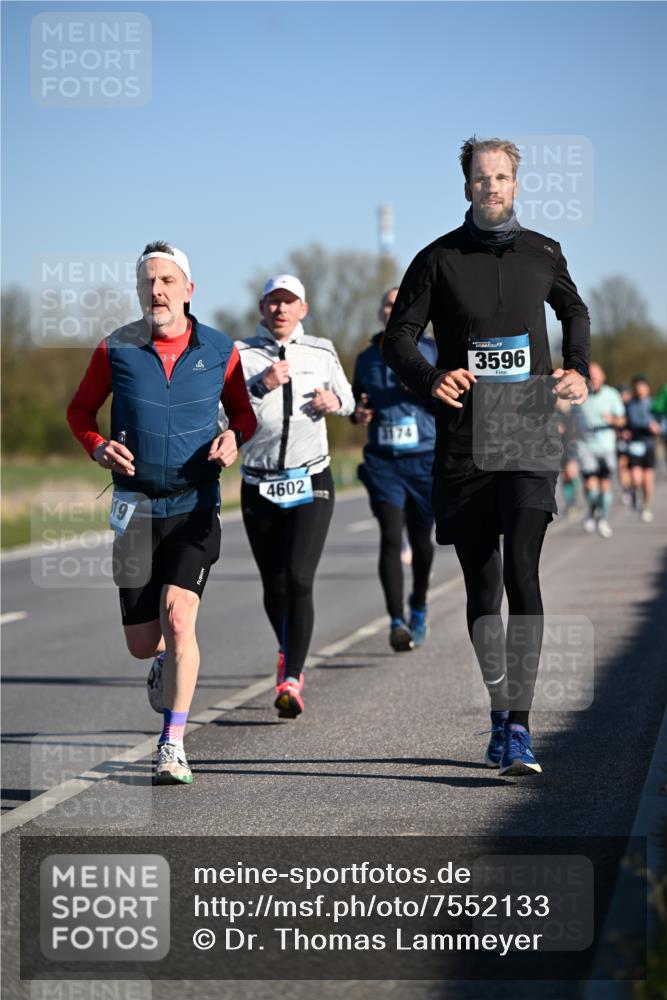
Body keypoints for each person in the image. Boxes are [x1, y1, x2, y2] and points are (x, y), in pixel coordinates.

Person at [383, 137, 590, 777]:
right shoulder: (437, 258)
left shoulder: (544, 252)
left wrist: (578, 367)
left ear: (516, 184)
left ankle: (521, 728)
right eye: (481, 177)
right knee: (483, 585)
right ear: (466, 185)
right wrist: (430, 378)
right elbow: (399, 337)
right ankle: (499, 710)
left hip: (526, 426)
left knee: (524, 571)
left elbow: (574, 309)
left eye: (502, 177)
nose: (491, 187)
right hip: (466, 438)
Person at [67, 241, 256, 785]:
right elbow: (79, 409)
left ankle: (171, 743)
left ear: (189, 290)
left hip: (195, 505)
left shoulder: (222, 350)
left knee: (180, 618)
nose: (157, 290)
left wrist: (234, 438)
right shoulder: (116, 348)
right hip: (135, 507)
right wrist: (96, 445)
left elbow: (243, 414)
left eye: (168, 280)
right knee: (141, 643)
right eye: (148, 281)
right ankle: (160, 665)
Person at [236, 274, 354, 718]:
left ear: (303, 309)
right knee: (274, 584)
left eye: (289, 303)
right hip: (259, 481)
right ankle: (287, 649)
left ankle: (292, 676)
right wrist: (258, 385)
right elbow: (217, 414)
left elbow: (346, 399)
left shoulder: (321, 350)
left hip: (311, 479)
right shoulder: (241, 354)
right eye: (273, 302)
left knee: (300, 577)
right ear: (263, 308)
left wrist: (333, 403)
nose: (281, 310)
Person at [351, 287, 437, 651]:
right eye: (388, 304)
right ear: (380, 313)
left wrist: (422, 387)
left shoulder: (435, 350)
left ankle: (418, 603)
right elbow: (357, 405)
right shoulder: (367, 358)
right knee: (389, 535)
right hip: (384, 462)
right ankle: (396, 621)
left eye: (402, 302)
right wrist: (359, 413)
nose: (394, 309)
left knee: (421, 540)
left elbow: (457, 400)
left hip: (425, 458)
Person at [573, 362, 625, 538]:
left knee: (605, 485)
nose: (593, 378)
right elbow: (568, 415)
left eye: (596, 375)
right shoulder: (580, 393)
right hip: (585, 445)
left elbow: (622, 421)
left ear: (603, 377)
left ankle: (602, 518)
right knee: (590, 485)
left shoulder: (612, 394)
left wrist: (612, 420)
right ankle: (593, 510)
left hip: (606, 445)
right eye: (590, 375)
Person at [624, 375, 661, 522]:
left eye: (642, 386)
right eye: (637, 386)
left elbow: (663, 423)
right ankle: (634, 493)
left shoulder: (654, 404)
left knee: (647, 480)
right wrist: (624, 431)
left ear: (647, 388)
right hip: (634, 444)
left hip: (649, 444)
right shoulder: (628, 405)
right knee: (636, 478)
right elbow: (624, 422)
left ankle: (646, 506)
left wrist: (658, 428)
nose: (639, 389)